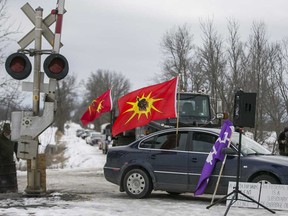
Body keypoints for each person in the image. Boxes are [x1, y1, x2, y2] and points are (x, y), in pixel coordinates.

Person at [0, 123, 18, 193]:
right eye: (6, 131)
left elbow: (16, 148)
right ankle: (2, 190)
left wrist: (18, 156)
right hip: (1, 162)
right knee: (2, 177)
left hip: (10, 160)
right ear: (3, 131)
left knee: (10, 176)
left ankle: (11, 189)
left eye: (9, 131)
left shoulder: (13, 138)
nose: (7, 133)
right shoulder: (0, 138)